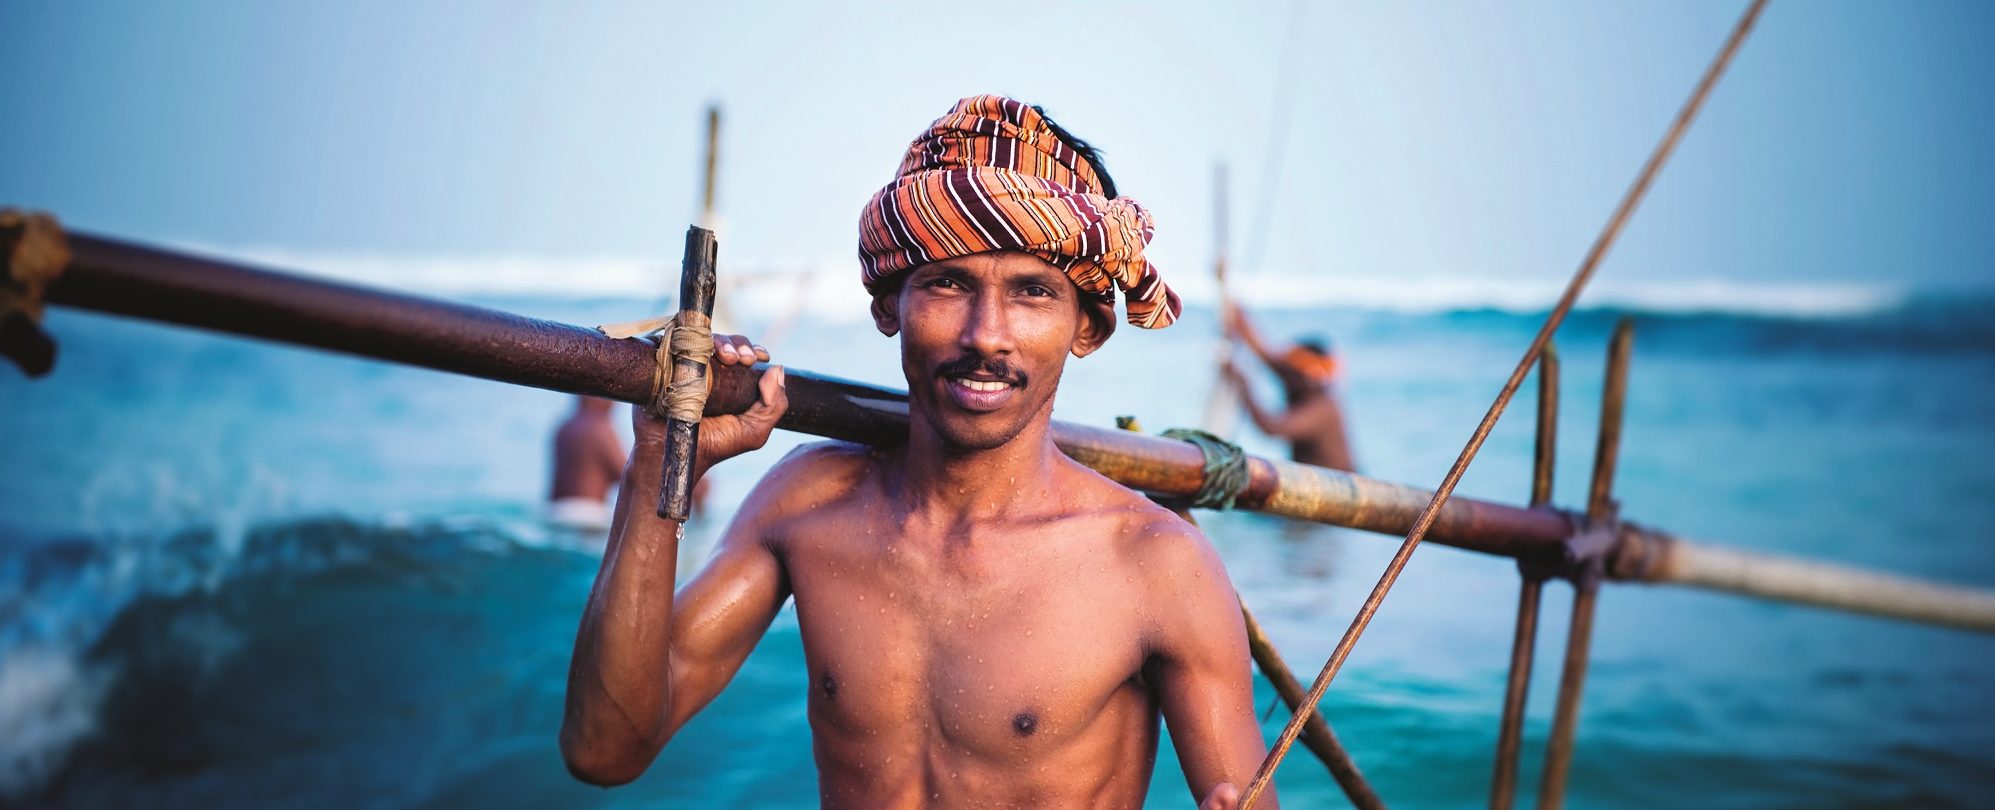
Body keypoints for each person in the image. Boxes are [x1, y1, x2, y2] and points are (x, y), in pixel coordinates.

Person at [561, 96, 1272, 809]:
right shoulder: (808, 503)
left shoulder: (1153, 563)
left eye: (1032, 293)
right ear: (886, 307)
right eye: (948, 284)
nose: (986, 335)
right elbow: (605, 750)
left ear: (1086, 329)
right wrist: (658, 460)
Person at [1219, 303, 1357, 472]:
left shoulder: (1323, 408)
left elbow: (1271, 427)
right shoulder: (1301, 381)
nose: (1286, 374)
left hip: (1336, 489)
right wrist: (1240, 318)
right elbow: (1266, 354)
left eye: (1292, 372)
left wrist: (1243, 385)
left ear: (1308, 377)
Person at [546, 396, 628, 530]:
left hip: (554, 513)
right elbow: (625, 475)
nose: (614, 403)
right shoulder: (601, 428)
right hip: (587, 517)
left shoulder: (564, 428)